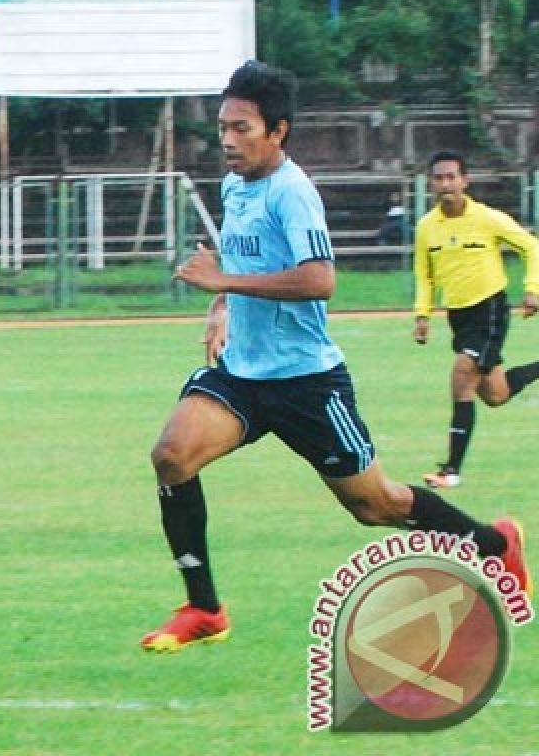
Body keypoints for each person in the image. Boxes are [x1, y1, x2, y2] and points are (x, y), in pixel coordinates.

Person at [142, 61, 531, 653]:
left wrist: (224, 279)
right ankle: (204, 608)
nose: (227, 139)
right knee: (172, 456)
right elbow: (240, 261)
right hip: (243, 375)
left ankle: (494, 543)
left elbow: (320, 280)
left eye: (241, 128)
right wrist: (220, 306)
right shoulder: (233, 185)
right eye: (223, 126)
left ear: (278, 131)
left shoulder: (294, 193)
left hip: (307, 384)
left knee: (377, 506)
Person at [412, 150, 539, 489]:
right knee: (495, 394)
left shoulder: (487, 218)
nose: (445, 184)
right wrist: (422, 314)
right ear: (430, 183)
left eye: (451, 177)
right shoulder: (426, 227)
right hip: (459, 316)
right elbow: (424, 275)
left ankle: (451, 470)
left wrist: (532, 289)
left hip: (490, 310)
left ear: (465, 181)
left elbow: (530, 245)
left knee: (462, 375)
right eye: (438, 178)